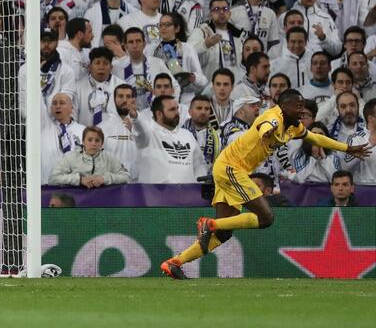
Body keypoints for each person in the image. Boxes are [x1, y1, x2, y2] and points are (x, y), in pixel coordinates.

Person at [161, 89, 370, 280]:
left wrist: (347, 148)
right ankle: (208, 224)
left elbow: (315, 138)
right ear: (284, 106)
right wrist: (267, 131)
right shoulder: (273, 117)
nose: (301, 110)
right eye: (297, 106)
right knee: (266, 217)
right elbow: (264, 126)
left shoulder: (294, 126)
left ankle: (175, 262)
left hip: (230, 169)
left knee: (223, 233)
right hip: (230, 168)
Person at [132, 95, 204, 184]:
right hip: (155, 196)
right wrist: (135, 117)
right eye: (172, 110)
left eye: (177, 109)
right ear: (159, 114)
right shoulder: (149, 134)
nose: (177, 113)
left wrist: (197, 188)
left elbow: (200, 165)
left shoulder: (187, 135)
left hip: (187, 195)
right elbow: (141, 130)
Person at [49, 126, 130, 187]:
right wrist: (79, 180)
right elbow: (53, 179)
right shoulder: (70, 157)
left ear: (101, 144)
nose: (93, 143)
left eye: (97, 140)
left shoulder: (109, 157)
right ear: (83, 142)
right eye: (90, 140)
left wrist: (104, 179)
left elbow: (126, 176)